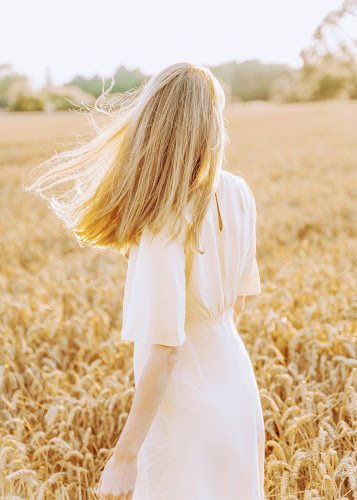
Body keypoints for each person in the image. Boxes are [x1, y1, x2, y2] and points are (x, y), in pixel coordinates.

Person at [24, 62, 264, 499]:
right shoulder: (239, 192)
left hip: (184, 408)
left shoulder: (165, 221)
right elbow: (238, 305)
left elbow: (167, 350)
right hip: (236, 389)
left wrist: (124, 456)